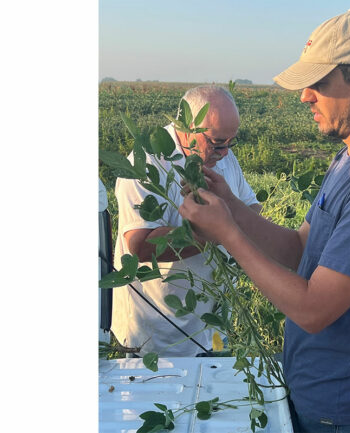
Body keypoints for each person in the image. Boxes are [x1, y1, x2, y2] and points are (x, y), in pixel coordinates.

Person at [179, 10, 350, 433]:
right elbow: (298, 248)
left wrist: (228, 234)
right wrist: (230, 204)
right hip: (323, 395)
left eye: (320, 83)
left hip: (349, 412)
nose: (305, 96)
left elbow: (312, 309)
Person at [111, 85, 262, 357]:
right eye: (217, 143)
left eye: (231, 142)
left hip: (212, 325)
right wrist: (216, 233)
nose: (225, 152)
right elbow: (140, 246)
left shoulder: (221, 157)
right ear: (187, 128)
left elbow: (251, 205)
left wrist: (234, 221)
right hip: (156, 333)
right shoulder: (146, 165)